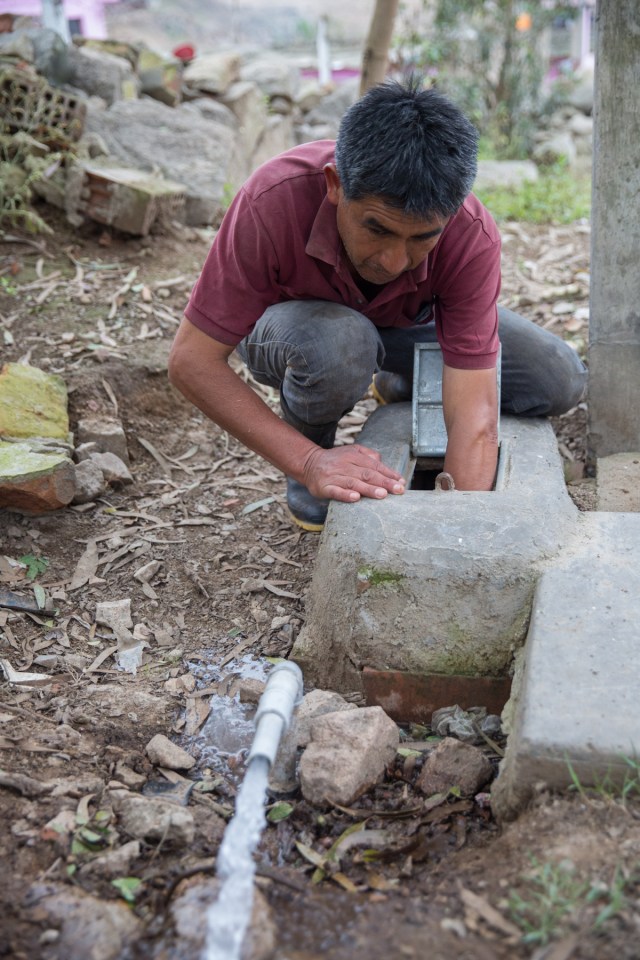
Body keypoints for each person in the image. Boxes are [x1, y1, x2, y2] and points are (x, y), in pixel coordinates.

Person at [169, 78, 586, 531]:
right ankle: (314, 449)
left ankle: (398, 380)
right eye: (378, 229)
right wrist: (309, 462)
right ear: (335, 186)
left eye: (422, 238)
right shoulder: (272, 200)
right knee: (341, 343)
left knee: (557, 377)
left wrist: (458, 526)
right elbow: (191, 362)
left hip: (406, 325)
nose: (393, 261)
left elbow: (476, 414)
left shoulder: (469, 233)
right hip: (296, 331)